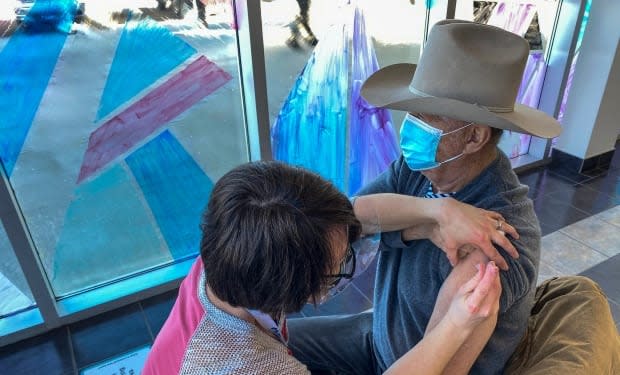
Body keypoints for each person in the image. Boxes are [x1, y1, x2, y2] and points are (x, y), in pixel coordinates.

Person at [287, 19, 563, 375]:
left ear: (474, 137)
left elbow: (440, 366)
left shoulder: (502, 236)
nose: (408, 127)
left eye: (423, 118)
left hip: (412, 365)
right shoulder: (417, 169)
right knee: (269, 338)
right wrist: (436, 213)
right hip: (377, 337)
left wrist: (413, 219)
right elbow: (352, 218)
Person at [142, 160, 519, 374]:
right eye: (336, 270)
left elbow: (356, 216)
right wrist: (456, 326)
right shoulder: (245, 365)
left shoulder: (232, 244)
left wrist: (437, 213)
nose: (351, 253)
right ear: (293, 291)